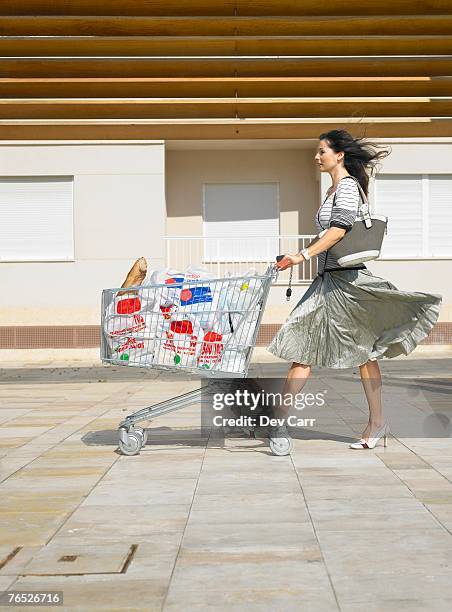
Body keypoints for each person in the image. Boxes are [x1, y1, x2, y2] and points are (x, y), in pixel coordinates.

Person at [266, 129, 442, 453]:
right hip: (328, 284)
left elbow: (339, 229)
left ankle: (375, 422)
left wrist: (300, 256)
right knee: (305, 352)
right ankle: (278, 422)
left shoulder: (347, 188)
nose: (317, 157)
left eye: (322, 151)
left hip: (348, 285)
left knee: (364, 355)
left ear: (339, 155)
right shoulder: (333, 189)